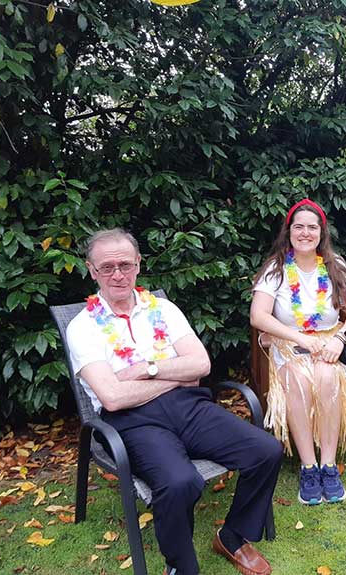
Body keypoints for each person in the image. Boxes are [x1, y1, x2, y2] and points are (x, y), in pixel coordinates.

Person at [66, 228, 282, 575]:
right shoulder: (83, 326)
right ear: (92, 270)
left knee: (266, 450)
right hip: (132, 422)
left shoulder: (163, 309)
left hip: (189, 406)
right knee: (181, 482)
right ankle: (181, 567)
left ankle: (233, 536)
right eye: (107, 267)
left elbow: (200, 366)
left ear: (138, 264)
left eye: (125, 264)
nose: (117, 274)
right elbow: (113, 396)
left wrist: (146, 368)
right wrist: (173, 376)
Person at [250, 199, 346, 505]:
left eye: (312, 227)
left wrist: (340, 338)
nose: (305, 233)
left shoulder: (335, 265)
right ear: (289, 231)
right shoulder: (276, 269)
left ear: (321, 232)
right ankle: (308, 467)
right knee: (298, 378)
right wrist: (299, 337)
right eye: (299, 226)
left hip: (330, 342)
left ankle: (328, 465)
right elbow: (259, 317)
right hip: (289, 345)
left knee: (325, 376)